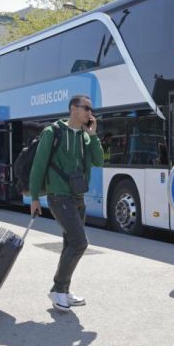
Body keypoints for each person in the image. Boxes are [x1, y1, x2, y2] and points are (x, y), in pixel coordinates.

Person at [29, 94, 104, 312]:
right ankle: (57, 289)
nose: (90, 113)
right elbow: (38, 165)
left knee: (69, 244)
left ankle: (64, 290)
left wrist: (94, 135)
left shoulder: (85, 136)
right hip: (58, 196)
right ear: (73, 108)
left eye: (91, 109)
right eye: (86, 108)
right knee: (80, 242)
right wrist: (34, 197)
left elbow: (99, 160)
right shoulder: (53, 132)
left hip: (78, 196)